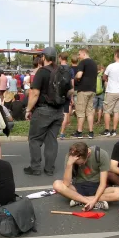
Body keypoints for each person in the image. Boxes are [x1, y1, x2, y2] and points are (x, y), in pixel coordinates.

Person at [24, 47, 73, 176]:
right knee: (52, 140)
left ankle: (35, 167)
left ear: (44, 57)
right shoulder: (62, 71)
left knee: (34, 139)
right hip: (58, 111)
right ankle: (49, 168)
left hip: (43, 110)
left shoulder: (42, 72)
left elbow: (35, 93)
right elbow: (70, 91)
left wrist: (28, 109)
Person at [52, 142, 119, 211]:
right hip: (78, 186)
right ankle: (89, 201)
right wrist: (69, 164)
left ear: (88, 155)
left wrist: (94, 200)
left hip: (97, 186)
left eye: (81, 163)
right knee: (57, 184)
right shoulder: (71, 156)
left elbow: (102, 184)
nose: (80, 165)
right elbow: (66, 183)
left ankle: (78, 199)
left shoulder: (101, 154)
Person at [71, 48, 99, 139]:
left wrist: (75, 77)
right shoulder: (94, 63)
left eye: (79, 54)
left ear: (84, 53)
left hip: (83, 90)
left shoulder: (83, 62)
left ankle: (79, 132)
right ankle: (91, 132)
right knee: (90, 112)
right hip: (92, 90)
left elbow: (79, 75)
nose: (78, 56)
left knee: (80, 112)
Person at [103, 49, 119, 137]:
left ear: (116, 55)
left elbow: (104, 77)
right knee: (116, 111)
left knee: (107, 111)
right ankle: (114, 130)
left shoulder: (111, 66)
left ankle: (107, 130)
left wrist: (108, 80)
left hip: (111, 91)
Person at [58, 52, 75, 140]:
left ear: (60, 58)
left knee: (56, 112)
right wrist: (72, 97)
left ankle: (54, 131)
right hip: (67, 93)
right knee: (65, 113)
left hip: (58, 93)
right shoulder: (70, 69)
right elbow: (72, 84)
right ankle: (62, 133)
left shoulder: (57, 68)